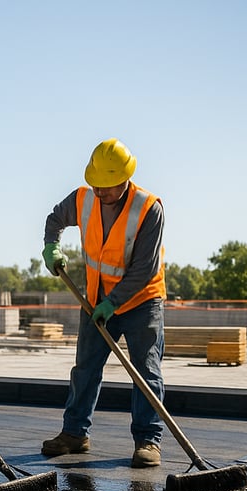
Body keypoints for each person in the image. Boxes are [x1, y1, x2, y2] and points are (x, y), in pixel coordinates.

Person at [40, 138, 166, 468]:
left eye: (107, 187)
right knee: (86, 369)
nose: (100, 192)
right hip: (96, 299)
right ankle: (75, 434)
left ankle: (148, 440)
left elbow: (144, 269)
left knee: (146, 372)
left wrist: (113, 302)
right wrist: (51, 247)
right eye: (96, 184)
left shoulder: (148, 208)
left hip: (141, 302)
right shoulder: (83, 198)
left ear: (125, 179)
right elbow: (55, 219)